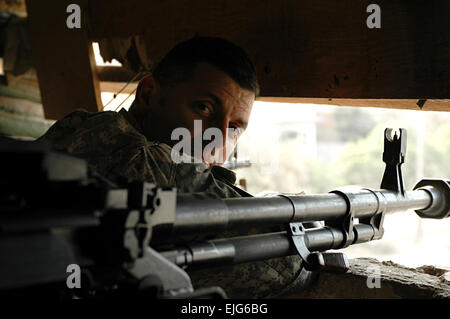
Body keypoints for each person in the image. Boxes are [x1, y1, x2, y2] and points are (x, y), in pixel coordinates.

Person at [37, 36, 311, 298]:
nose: (216, 137)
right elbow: (290, 262)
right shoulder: (148, 162)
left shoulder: (82, 127)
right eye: (203, 108)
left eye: (234, 127)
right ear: (148, 95)